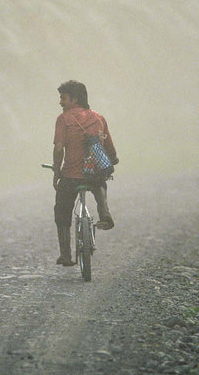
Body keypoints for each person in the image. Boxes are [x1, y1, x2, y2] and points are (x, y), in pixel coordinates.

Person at [51, 80, 118, 266]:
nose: (61, 102)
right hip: (93, 175)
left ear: (75, 99)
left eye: (63, 98)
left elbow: (58, 148)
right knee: (100, 181)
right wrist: (112, 161)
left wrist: (57, 172)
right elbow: (110, 149)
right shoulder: (99, 118)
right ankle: (104, 213)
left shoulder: (63, 119)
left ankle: (66, 255)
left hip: (70, 177)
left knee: (62, 212)